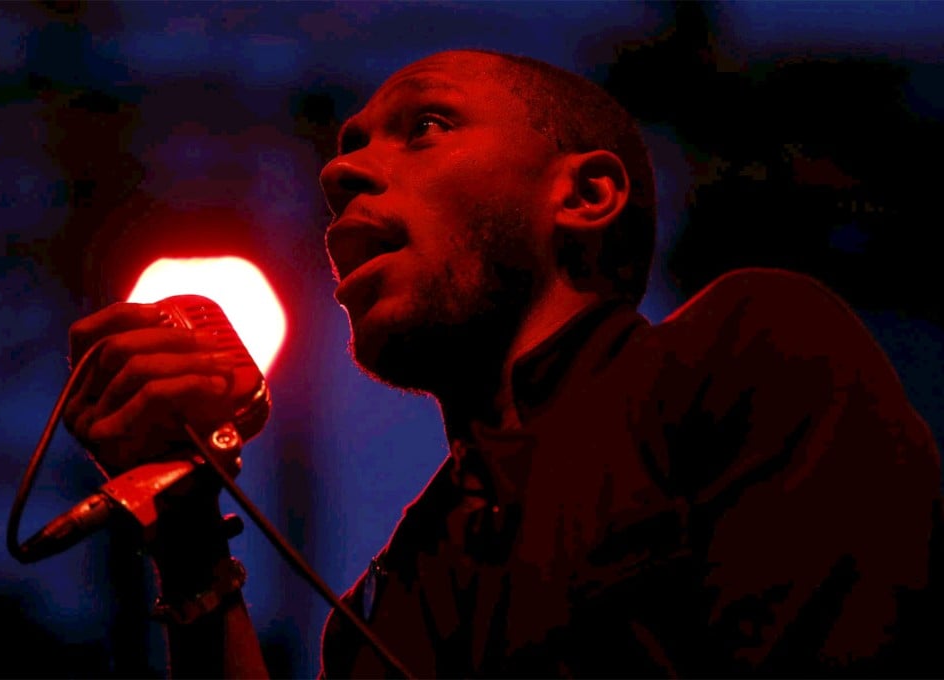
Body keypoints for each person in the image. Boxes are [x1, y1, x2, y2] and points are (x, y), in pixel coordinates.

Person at [62, 49, 942, 678]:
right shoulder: (395, 592)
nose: (343, 174)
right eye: (348, 150)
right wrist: (182, 520)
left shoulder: (751, 350)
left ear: (585, 195)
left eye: (425, 126)